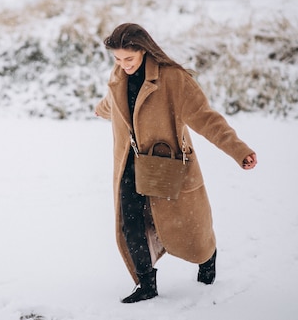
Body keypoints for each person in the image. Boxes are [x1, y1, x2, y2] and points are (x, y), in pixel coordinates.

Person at [95, 23, 257, 303]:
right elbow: (115, 102)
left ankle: (207, 259)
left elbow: (207, 118)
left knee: (191, 228)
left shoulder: (173, 79)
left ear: (144, 51)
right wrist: (101, 110)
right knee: (130, 223)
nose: (123, 65)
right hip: (129, 165)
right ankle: (146, 283)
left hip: (168, 163)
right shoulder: (119, 74)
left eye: (129, 59)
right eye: (117, 59)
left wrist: (238, 150)